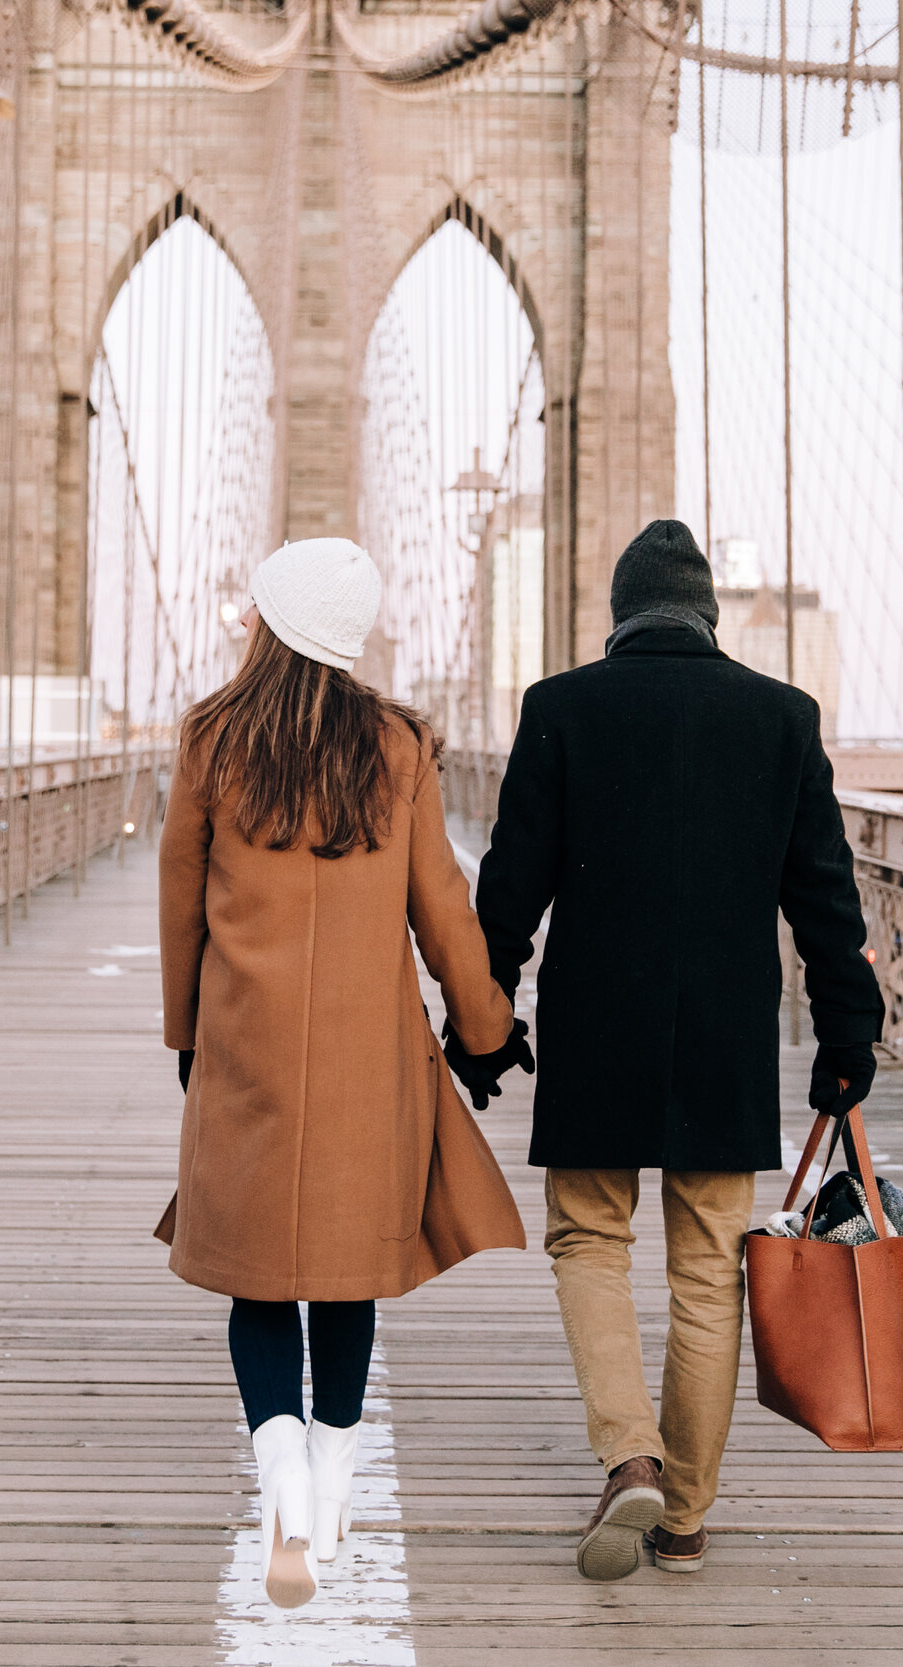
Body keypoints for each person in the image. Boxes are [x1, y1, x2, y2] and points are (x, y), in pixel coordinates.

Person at [459, 518, 884, 1582]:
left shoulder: (560, 710)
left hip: (598, 1024)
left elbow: (509, 888)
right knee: (707, 1269)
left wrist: (483, 1016)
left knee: (590, 1243)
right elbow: (824, 901)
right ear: (706, 612)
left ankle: (628, 1452)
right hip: (724, 1037)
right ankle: (683, 1517)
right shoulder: (781, 718)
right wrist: (848, 1031)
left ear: (618, 616)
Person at [155, 536, 535, 1610]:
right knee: (345, 1268)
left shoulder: (210, 741)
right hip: (372, 1059)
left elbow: (180, 903)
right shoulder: (401, 745)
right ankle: (328, 1484)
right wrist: (483, 1025)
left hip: (244, 1049)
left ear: (270, 623)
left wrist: (187, 1031)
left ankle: (279, 1484)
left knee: (257, 1271)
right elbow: (441, 908)